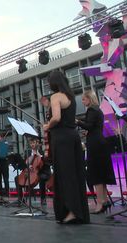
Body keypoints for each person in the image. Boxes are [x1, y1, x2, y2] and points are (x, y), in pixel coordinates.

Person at [43, 70, 90, 224]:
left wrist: (47, 126)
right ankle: (77, 210)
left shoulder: (56, 96)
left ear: (54, 82)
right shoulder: (71, 97)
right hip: (73, 137)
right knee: (75, 175)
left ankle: (72, 212)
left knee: (64, 176)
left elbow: (56, 117)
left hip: (61, 138)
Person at [76, 90, 116, 213]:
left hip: (96, 144)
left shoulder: (92, 110)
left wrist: (77, 122)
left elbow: (88, 125)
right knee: (102, 174)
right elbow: (93, 127)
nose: (83, 102)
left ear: (89, 98)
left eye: (84, 99)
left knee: (96, 174)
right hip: (99, 141)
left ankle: (100, 203)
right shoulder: (98, 110)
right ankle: (104, 200)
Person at [15, 138, 46, 205]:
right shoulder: (28, 152)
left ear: (37, 143)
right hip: (28, 172)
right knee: (17, 178)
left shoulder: (41, 152)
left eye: (33, 143)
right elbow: (24, 163)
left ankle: (43, 199)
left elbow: (44, 164)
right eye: (31, 143)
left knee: (42, 178)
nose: (32, 144)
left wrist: (39, 156)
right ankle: (21, 199)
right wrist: (27, 166)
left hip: (39, 172)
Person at [0, 134, 9, 200]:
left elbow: (5, 153)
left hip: (4, 163)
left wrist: (3, 143)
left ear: (1, 138)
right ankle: (0, 194)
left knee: (5, 179)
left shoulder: (5, 143)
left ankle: (7, 194)